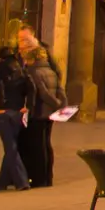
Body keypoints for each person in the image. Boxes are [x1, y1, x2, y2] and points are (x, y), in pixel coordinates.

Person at [0, 46, 32, 191]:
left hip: (3, 112)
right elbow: (31, 88)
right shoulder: (21, 68)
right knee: (11, 144)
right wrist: (27, 106)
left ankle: (22, 181)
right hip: (18, 110)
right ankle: (2, 181)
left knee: (10, 146)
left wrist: (1, 106)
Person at [22, 43, 63, 188]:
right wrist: (61, 105)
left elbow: (43, 93)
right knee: (46, 144)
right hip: (50, 114)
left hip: (38, 112)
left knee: (37, 146)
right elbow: (60, 90)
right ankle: (48, 177)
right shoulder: (51, 71)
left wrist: (55, 103)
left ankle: (39, 178)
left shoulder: (34, 72)